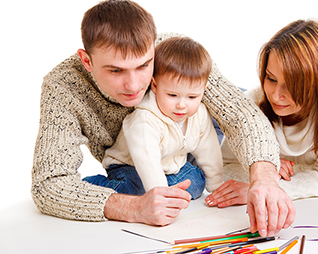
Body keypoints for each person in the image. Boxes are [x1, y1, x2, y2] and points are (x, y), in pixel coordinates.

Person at [31, 0, 294, 235]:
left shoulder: (169, 48)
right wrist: (133, 208)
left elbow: (239, 112)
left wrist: (264, 178)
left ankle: (268, 156)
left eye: (144, 66)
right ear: (87, 61)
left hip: (183, 143)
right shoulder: (62, 86)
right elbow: (48, 184)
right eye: (115, 70)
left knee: (229, 98)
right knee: (138, 186)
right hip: (133, 161)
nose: (133, 85)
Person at [206, 19, 318, 205]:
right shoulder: (255, 101)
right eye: (271, 79)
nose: (276, 96)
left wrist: (269, 187)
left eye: (292, 85)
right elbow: (225, 166)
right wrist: (267, 166)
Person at [84, 36, 223, 200]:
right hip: (130, 166)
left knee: (197, 182)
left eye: (192, 97)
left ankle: (168, 187)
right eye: (172, 95)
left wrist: (217, 186)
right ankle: (93, 185)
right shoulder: (144, 120)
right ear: (155, 86)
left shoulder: (199, 114)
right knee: (138, 189)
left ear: (203, 90)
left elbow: (209, 149)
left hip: (171, 166)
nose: (181, 105)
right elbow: (147, 162)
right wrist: (160, 197)